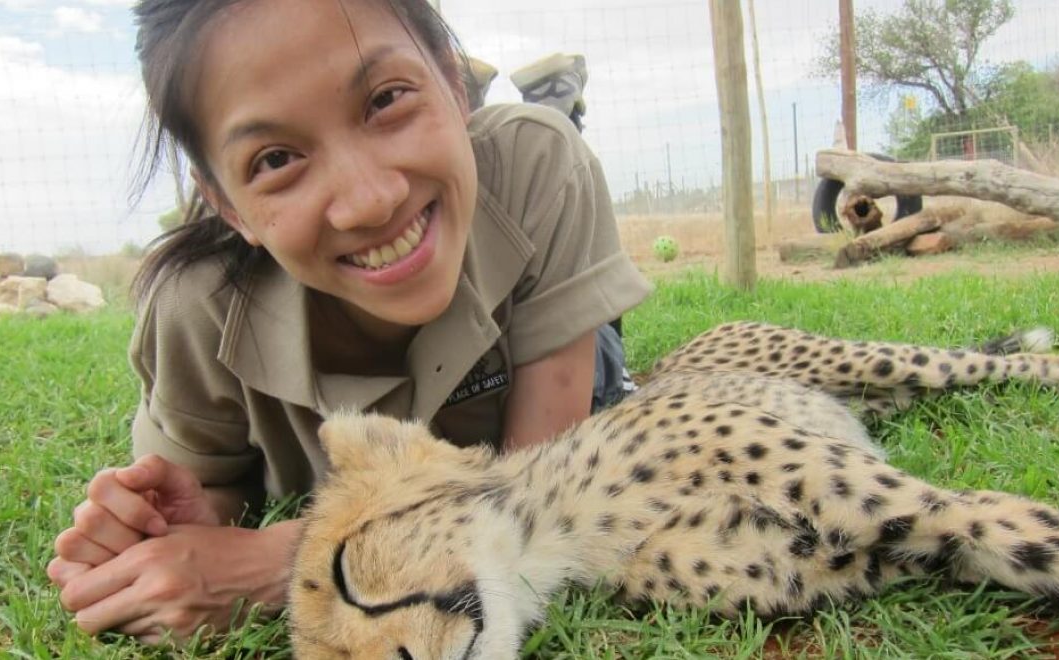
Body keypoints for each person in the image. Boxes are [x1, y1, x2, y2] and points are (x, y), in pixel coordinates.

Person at [46, 0, 651, 643]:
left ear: (451, 79)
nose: (370, 202)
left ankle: (559, 101)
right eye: (275, 160)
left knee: (604, 372)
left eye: (386, 99)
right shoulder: (196, 311)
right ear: (227, 204)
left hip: (557, 330)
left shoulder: (538, 167)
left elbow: (534, 498)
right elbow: (210, 498)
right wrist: (189, 527)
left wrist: (279, 559)